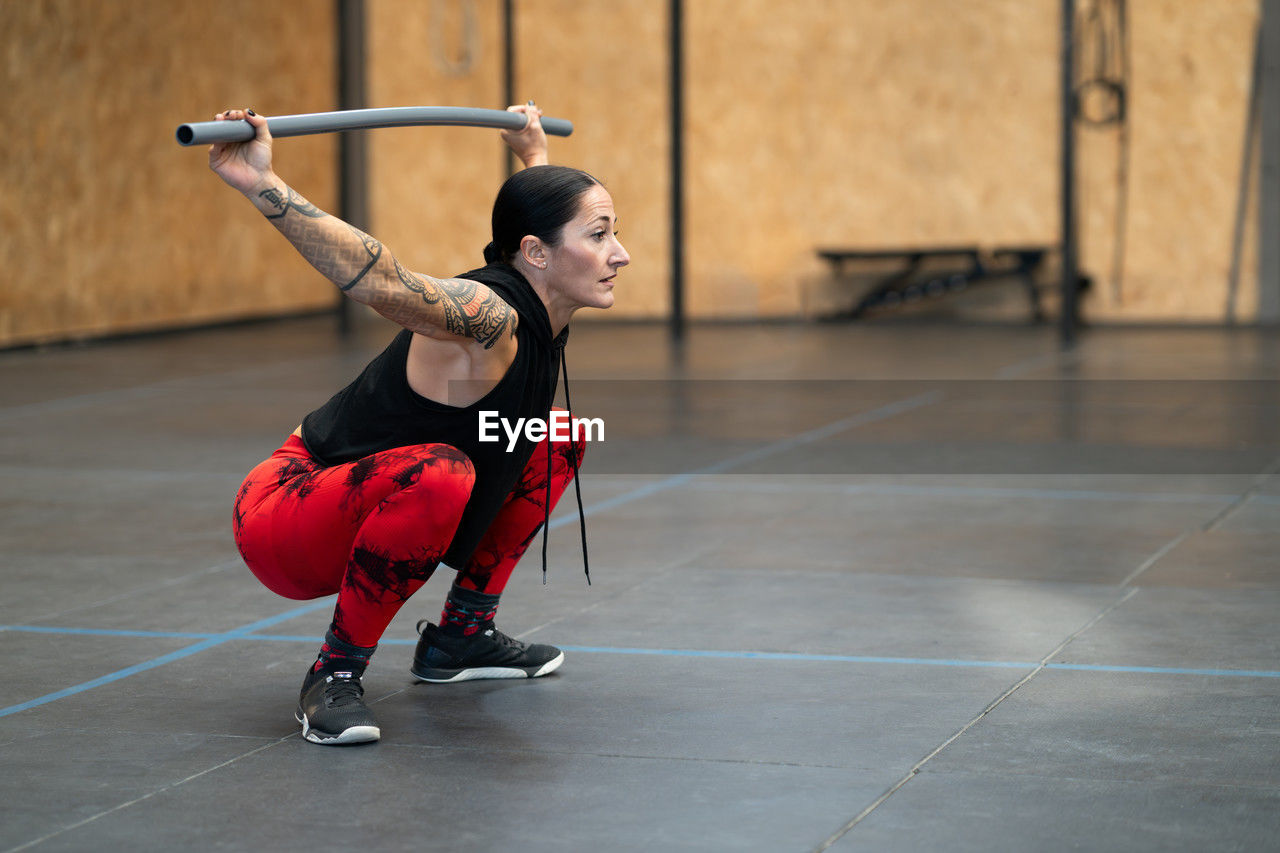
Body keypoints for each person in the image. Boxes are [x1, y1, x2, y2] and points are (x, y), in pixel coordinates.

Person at [210, 103, 629, 745]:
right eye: (600, 236)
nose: (619, 254)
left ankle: (461, 637)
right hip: (286, 515)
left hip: (367, 499)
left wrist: (533, 154)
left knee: (560, 433)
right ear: (537, 253)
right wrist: (259, 182)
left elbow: (543, 227)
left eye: (613, 232)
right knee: (441, 473)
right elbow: (378, 280)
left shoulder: (543, 290)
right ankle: (334, 674)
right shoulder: (485, 316)